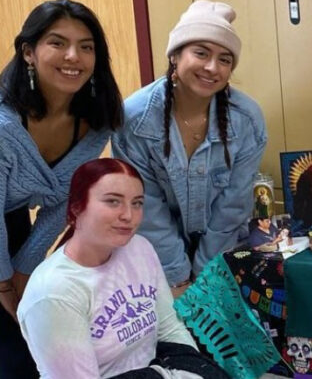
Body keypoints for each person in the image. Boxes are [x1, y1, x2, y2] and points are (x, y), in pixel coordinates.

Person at [0, 0, 124, 378]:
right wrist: (5, 284)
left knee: (35, 336)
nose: (73, 56)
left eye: (86, 46)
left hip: (12, 218)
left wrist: (24, 273)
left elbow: (61, 203)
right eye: (57, 42)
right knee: (12, 353)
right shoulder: (4, 125)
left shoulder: (96, 119)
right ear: (29, 52)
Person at [17, 159, 227, 378]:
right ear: (77, 207)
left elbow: (169, 327)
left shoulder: (139, 248)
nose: (128, 215)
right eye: (113, 201)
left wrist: (193, 370)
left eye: (137, 203)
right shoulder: (54, 294)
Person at [113, 0, 268, 296]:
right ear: (175, 55)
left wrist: (206, 276)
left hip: (223, 253)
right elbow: (147, 206)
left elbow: (233, 205)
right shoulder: (135, 118)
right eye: (201, 53)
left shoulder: (247, 119)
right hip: (154, 255)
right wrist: (178, 278)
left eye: (224, 59)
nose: (212, 67)